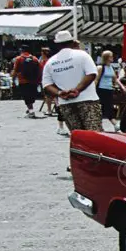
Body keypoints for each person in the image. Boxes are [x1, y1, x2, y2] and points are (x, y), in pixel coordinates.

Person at [42, 31, 102, 169]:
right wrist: (78, 89)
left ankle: (80, 163)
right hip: (88, 100)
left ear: (57, 45)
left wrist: (60, 93)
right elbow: (92, 74)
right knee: (94, 133)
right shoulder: (82, 55)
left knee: (77, 134)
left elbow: (46, 85)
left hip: (66, 103)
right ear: (73, 42)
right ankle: (97, 162)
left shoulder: (51, 62)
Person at [11, 45, 41, 119]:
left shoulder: (18, 59)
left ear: (22, 50)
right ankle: (30, 109)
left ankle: (31, 111)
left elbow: (15, 70)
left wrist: (13, 79)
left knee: (26, 96)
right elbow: (39, 70)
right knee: (31, 96)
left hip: (23, 81)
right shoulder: (35, 59)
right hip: (33, 81)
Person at [96, 50, 123, 130]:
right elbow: (96, 80)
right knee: (102, 108)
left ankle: (114, 124)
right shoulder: (100, 67)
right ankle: (114, 124)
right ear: (107, 58)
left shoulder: (111, 67)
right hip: (101, 90)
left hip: (109, 90)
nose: (113, 57)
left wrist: (121, 86)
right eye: (111, 56)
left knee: (108, 107)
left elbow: (115, 78)